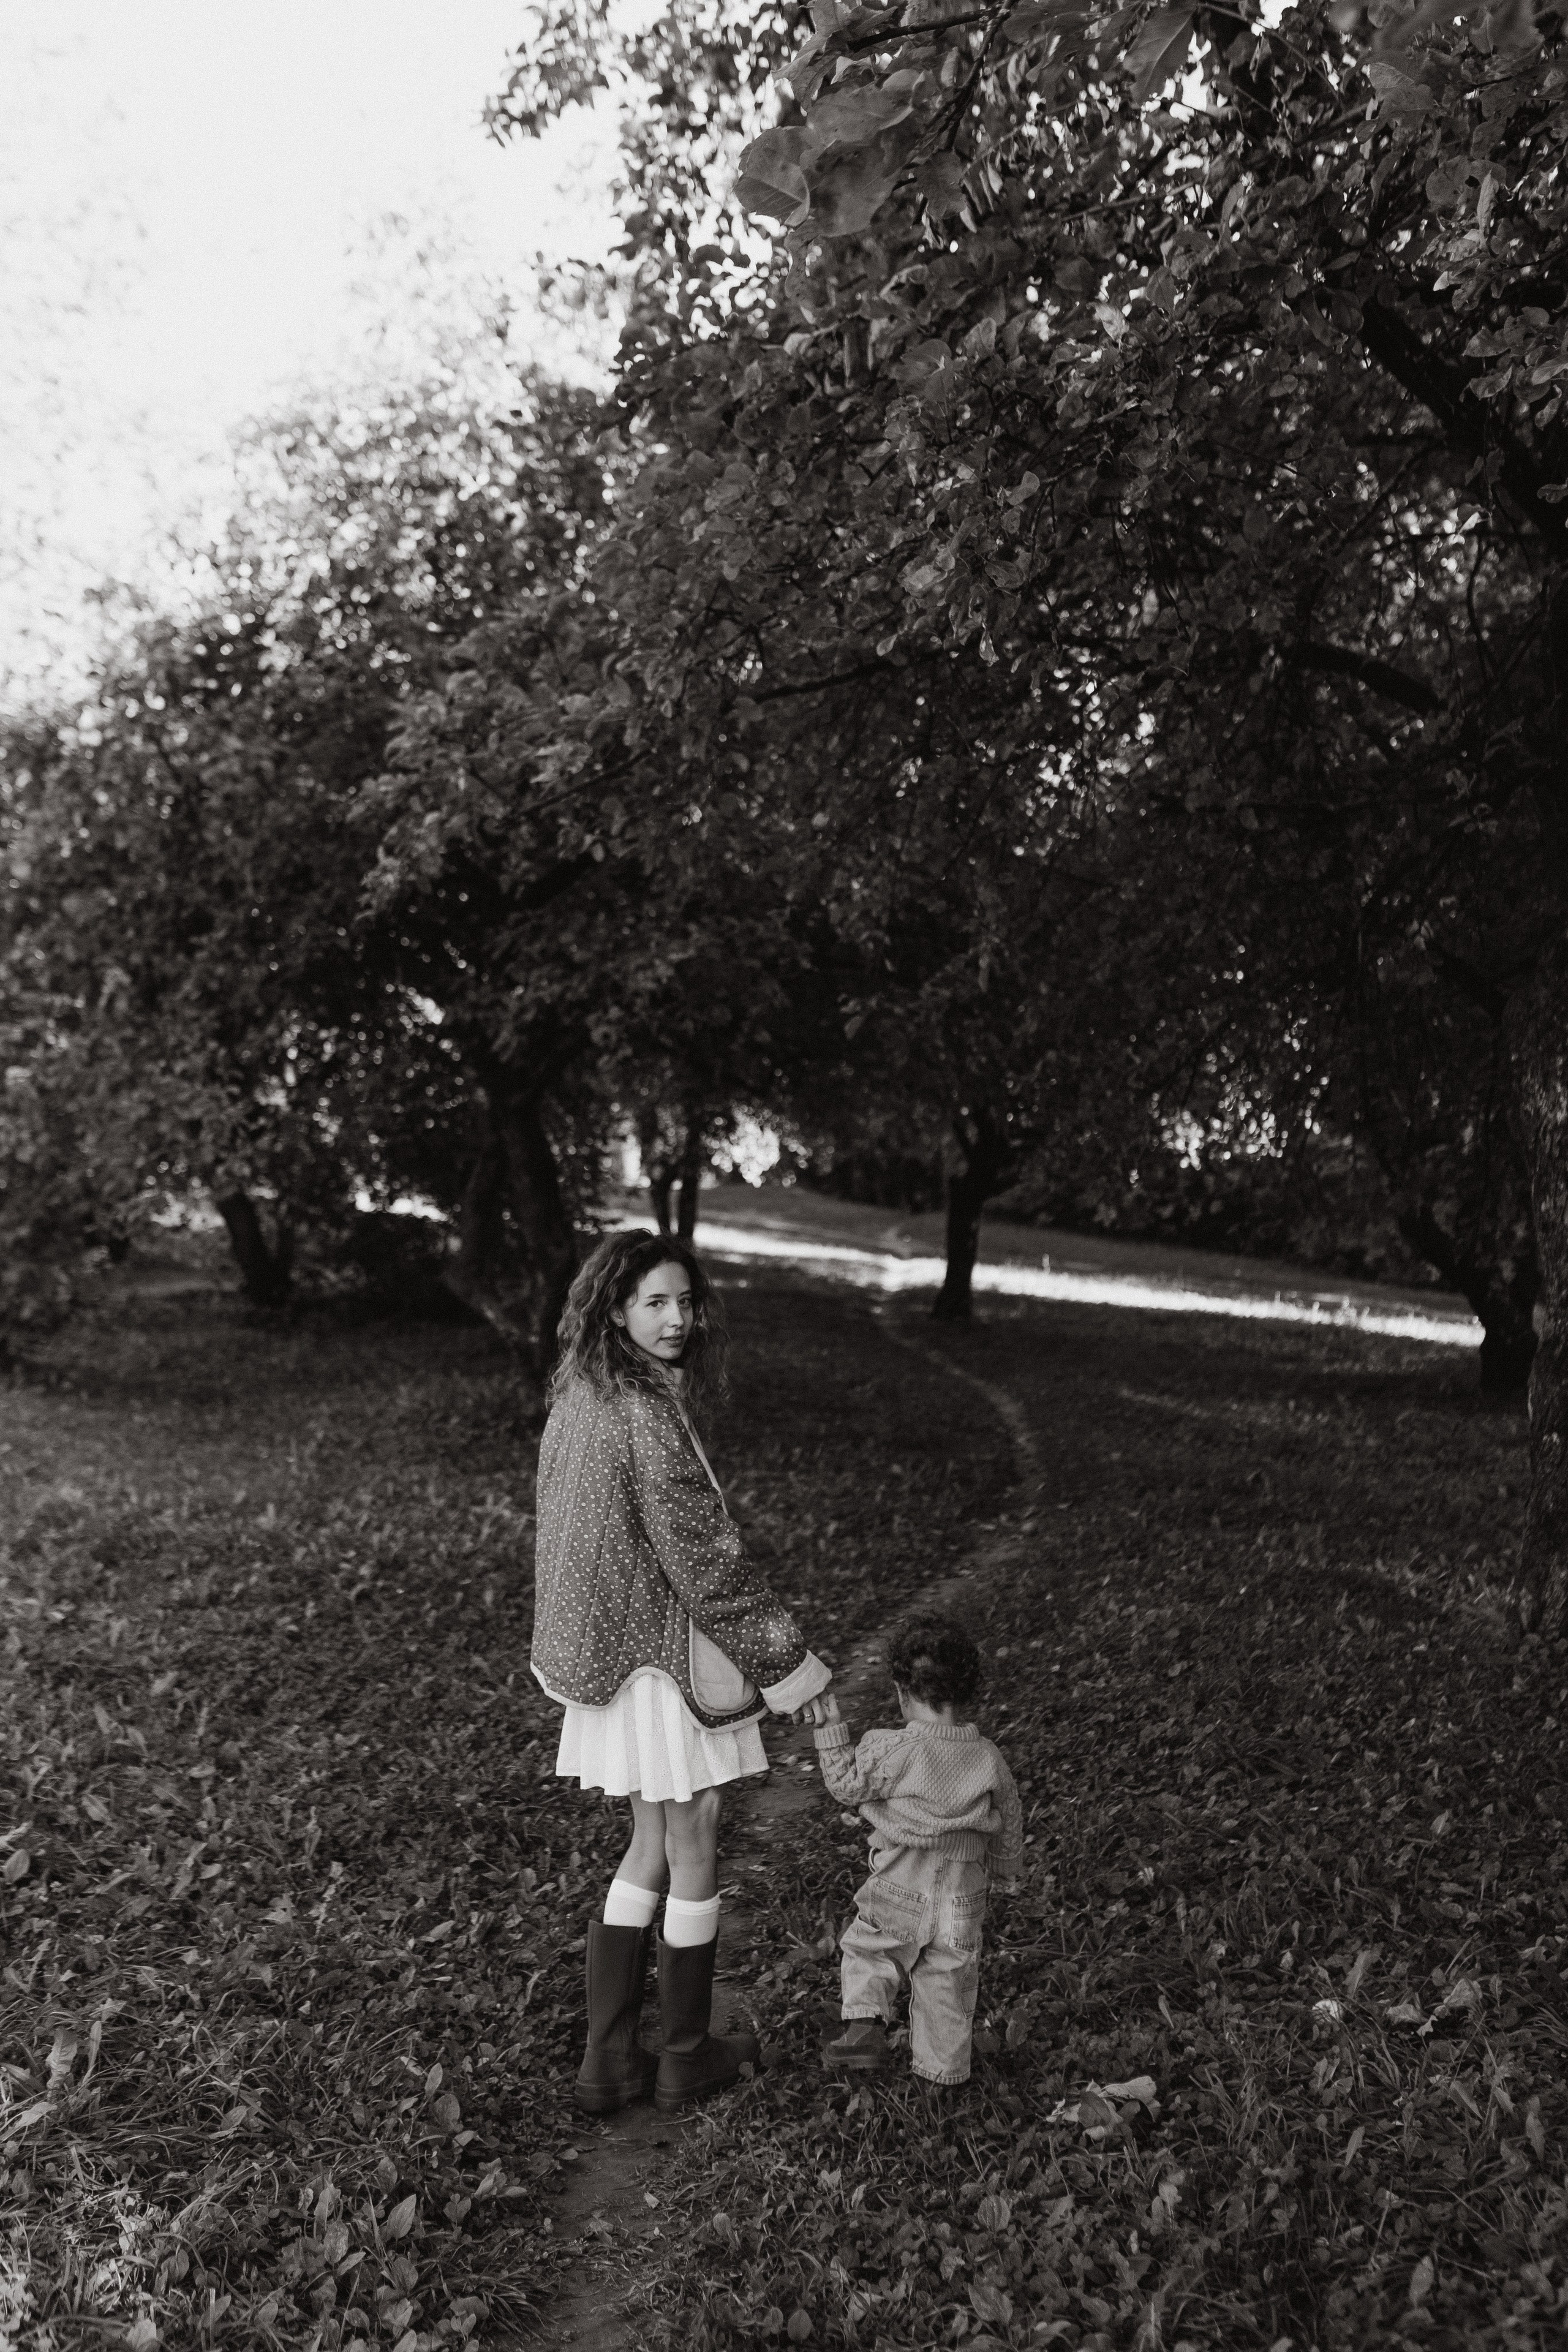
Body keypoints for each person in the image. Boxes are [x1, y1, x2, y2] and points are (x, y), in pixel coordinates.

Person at [532, 1230, 834, 2116]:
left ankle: (607, 2063)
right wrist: (790, 1664)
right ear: (618, 1309)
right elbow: (704, 1562)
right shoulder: (641, 1413)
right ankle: (685, 2054)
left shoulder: (584, 1390)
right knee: (696, 1836)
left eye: (685, 1301)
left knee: (652, 1841)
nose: (677, 1320)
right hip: (664, 1660)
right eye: (656, 1302)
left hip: (610, 1658)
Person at [810, 1612, 1022, 2089]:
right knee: (949, 1978)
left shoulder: (895, 1749)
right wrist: (1007, 1868)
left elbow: (846, 1785)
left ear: (903, 1693)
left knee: (871, 1949)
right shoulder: (988, 1756)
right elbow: (1008, 1814)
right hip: (964, 1892)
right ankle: (941, 2079)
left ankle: (864, 2029)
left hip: (902, 1880)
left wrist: (830, 1731)